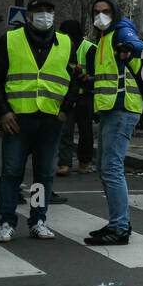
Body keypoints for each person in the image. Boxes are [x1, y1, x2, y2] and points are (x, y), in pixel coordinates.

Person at [0, 0, 78, 242]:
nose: (44, 15)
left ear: (54, 14)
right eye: (38, 11)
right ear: (28, 15)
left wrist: (65, 109)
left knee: (43, 175)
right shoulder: (10, 40)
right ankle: (7, 221)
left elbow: (75, 79)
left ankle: (38, 220)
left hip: (50, 120)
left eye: (48, 11)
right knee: (11, 172)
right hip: (17, 119)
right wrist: (3, 112)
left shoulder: (66, 43)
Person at [83, 0, 143, 244]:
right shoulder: (104, 37)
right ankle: (117, 222)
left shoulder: (122, 31)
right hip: (111, 109)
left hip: (122, 108)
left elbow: (142, 48)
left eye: (106, 11)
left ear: (116, 13)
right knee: (105, 168)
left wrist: (130, 48)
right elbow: (110, 76)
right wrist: (88, 80)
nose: (101, 15)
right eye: (97, 11)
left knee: (111, 169)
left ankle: (120, 228)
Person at [55, 19, 95, 177]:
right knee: (65, 131)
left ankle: (84, 162)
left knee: (86, 132)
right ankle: (64, 163)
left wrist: (85, 77)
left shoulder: (90, 48)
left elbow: (95, 74)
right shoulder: (59, 47)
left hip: (84, 96)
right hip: (66, 96)